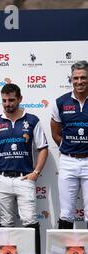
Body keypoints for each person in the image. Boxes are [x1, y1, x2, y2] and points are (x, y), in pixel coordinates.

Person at [0, 83, 48, 254]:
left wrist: (36, 172)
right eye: (4, 100)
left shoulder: (32, 120)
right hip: (1, 179)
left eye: (11, 100)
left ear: (20, 98)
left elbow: (43, 148)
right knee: (6, 223)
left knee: (30, 221)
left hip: (24, 178)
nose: (7, 104)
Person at [50, 60, 88, 229]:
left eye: (83, 78)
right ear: (71, 79)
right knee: (66, 212)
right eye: (76, 78)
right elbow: (56, 133)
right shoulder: (60, 102)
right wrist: (70, 148)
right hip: (68, 162)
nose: (79, 81)